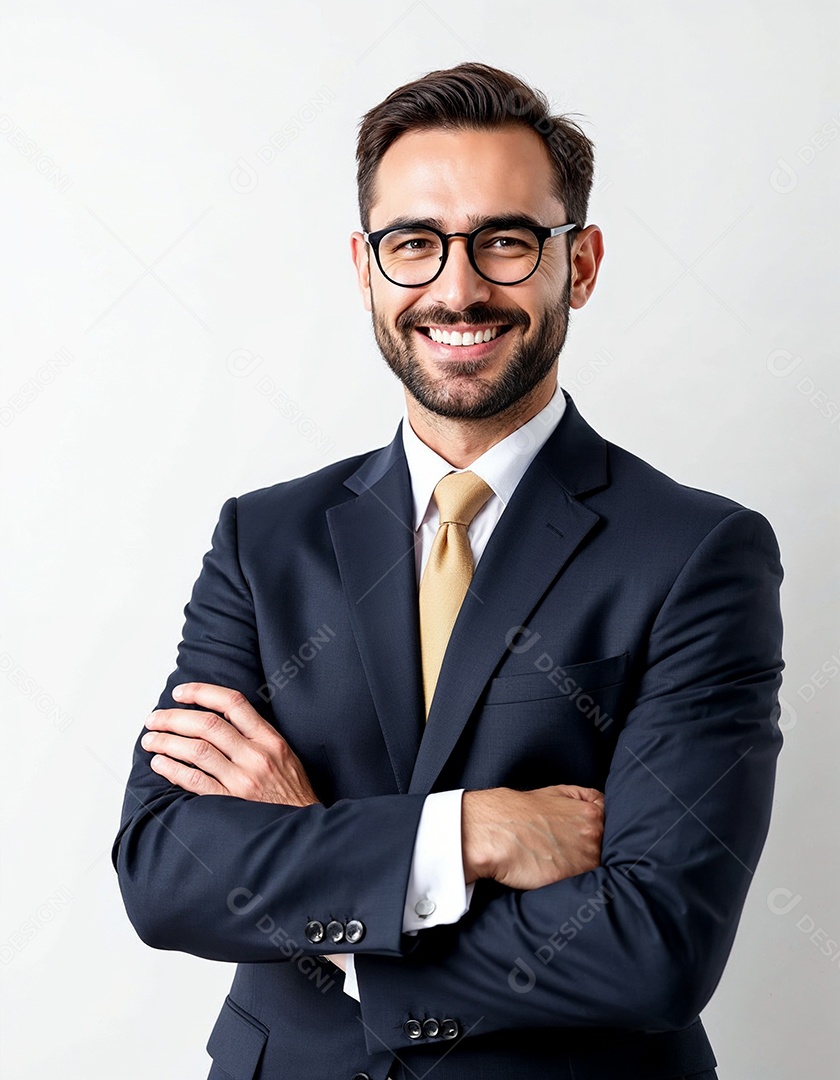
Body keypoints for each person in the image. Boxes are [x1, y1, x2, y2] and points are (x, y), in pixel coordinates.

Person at [112, 62, 784, 1080]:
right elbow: (167, 871)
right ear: (366, 267)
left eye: (506, 241)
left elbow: (655, 947)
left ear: (580, 264)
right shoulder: (265, 540)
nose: (458, 288)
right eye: (415, 243)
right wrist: (462, 833)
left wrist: (321, 864)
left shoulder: (696, 553)